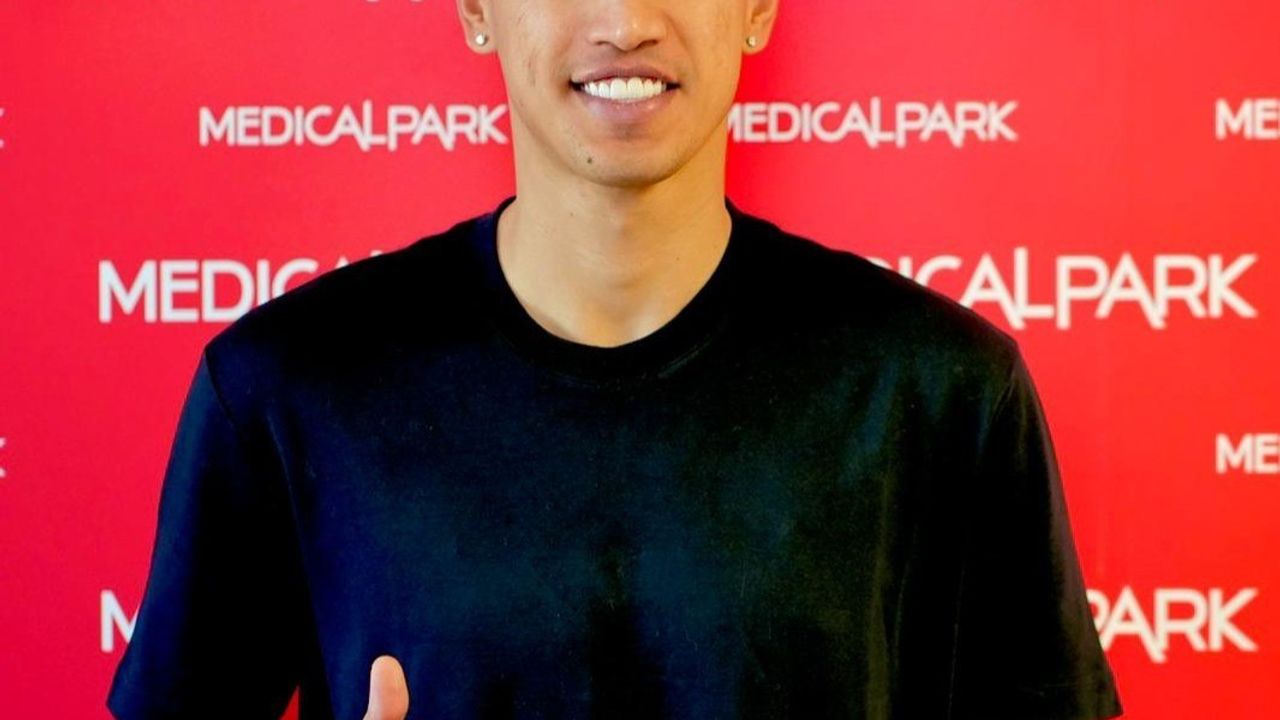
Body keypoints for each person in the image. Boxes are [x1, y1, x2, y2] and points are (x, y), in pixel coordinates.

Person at [107, 0, 1124, 718]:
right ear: (476, 9)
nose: (626, 20)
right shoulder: (285, 385)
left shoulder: (941, 393)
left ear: (758, 7)